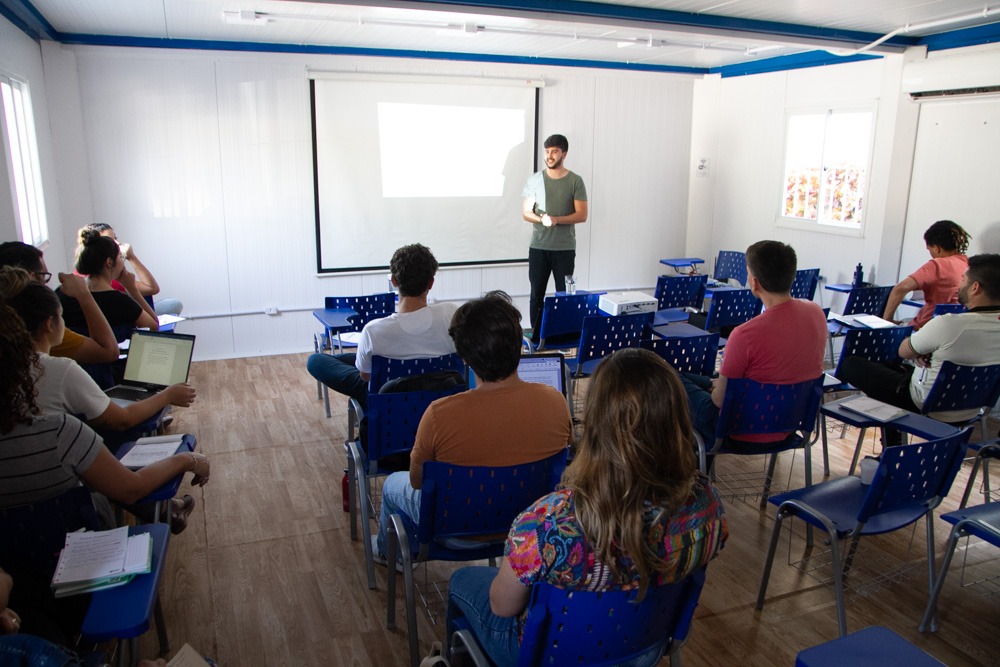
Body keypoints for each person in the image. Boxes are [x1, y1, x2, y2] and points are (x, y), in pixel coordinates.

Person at [445, 348, 728, 666]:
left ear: (594, 423)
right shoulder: (709, 505)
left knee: (462, 581)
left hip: (546, 656)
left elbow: (502, 607)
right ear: (677, 418)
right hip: (644, 649)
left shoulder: (547, 523)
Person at [0, 305, 210, 643]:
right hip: (74, 568)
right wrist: (187, 460)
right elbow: (130, 489)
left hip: (16, 588)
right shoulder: (57, 432)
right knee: (102, 490)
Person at [372, 291, 572, 566]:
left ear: (464, 357)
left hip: (454, 529)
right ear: (519, 344)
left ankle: (387, 553)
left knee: (392, 484)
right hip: (528, 526)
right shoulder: (555, 402)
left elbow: (418, 482)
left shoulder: (438, 414)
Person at [679, 240, 828, 446]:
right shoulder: (816, 313)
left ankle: (692, 466)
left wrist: (718, 388)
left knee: (671, 379)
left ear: (755, 283)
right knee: (690, 378)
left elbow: (720, 402)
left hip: (739, 428)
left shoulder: (745, 334)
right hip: (789, 422)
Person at [839, 254, 1000, 441]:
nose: (959, 285)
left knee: (852, 365)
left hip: (926, 403)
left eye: (963, 279)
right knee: (888, 370)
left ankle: (893, 446)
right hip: (973, 407)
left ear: (975, 287)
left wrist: (920, 351)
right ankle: (891, 445)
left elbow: (904, 350)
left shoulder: (948, 324)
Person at [307, 244, 457, 407]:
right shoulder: (451, 314)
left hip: (387, 396)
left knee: (316, 360)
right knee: (348, 359)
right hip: (440, 391)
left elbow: (365, 376)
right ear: (431, 283)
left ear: (394, 281)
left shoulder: (374, 330)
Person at [0, 241, 119, 363]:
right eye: (44, 275)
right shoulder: (40, 324)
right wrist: (83, 294)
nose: (46, 284)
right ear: (31, 278)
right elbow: (109, 351)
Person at [521, 134, 588, 337]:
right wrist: (542, 219)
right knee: (536, 295)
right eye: (547, 151)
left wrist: (557, 219)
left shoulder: (575, 181)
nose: (550, 156)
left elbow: (582, 215)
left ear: (564, 154)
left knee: (565, 296)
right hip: (539, 248)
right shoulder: (534, 180)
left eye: (554, 152)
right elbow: (526, 212)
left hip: (564, 249)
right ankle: (537, 336)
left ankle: (563, 337)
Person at [61, 227, 159, 335]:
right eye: (120, 256)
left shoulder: (63, 292)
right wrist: (132, 290)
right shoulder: (120, 301)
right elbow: (153, 327)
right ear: (109, 262)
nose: (122, 261)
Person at [882, 220, 970, 329]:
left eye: (930, 250)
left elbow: (900, 289)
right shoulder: (969, 264)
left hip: (925, 329)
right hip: (953, 329)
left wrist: (887, 321)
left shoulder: (938, 264)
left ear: (937, 248)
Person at [86, 223, 183, 316]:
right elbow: (152, 288)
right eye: (110, 239)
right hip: (129, 316)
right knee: (173, 304)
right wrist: (132, 257)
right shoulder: (106, 277)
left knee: (171, 303)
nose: (118, 243)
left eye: (116, 238)